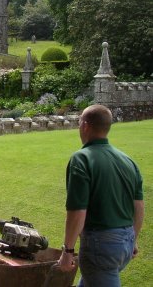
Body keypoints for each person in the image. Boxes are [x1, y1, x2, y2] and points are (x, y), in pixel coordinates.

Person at [59, 104, 144, 286]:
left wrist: (67, 251)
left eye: (79, 122)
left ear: (85, 126)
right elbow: (138, 208)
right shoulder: (128, 161)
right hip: (125, 243)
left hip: (101, 247)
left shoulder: (81, 159)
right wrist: (133, 240)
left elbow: (77, 212)